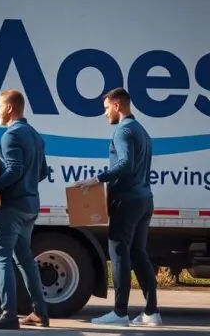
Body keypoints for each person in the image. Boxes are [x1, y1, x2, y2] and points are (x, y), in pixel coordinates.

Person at [76, 87, 161, 327]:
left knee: (119, 254)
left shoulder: (123, 131)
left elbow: (125, 163)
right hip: (145, 200)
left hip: (126, 200)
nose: (105, 114)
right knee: (139, 254)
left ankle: (120, 313)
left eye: (106, 109)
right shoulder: (142, 131)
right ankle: (152, 312)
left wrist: (97, 179)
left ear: (117, 105)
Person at [0, 89, 50, 329]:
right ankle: (40, 312)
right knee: (25, 259)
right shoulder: (35, 135)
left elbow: (14, 169)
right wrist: (27, 184)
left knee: (0, 258)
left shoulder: (10, 136)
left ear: (10, 108)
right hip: (31, 206)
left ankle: (8, 314)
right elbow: (42, 172)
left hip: (12, 207)